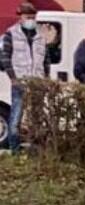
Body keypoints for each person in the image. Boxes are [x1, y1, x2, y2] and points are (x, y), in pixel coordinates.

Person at [2, 2, 56, 152]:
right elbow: (5, 57)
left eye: (33, 17)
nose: (31, 20)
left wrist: (46, 77)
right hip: (20, 81)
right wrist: (13, 77)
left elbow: (46, 60)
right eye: (28, 17)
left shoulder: (40, 36)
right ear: (20, 17)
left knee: (37, 116)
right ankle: (14, 149)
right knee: (16, 117)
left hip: (37, 83)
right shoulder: (11, 34)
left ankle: (35, 148)